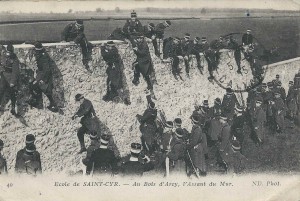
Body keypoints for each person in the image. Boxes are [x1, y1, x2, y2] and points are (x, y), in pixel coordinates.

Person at [29, 42, 58, 112]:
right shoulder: (41, 53)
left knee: (34, 86)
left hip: (44, 76)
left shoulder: (43, 57)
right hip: (42, 74)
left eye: (36, 51)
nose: (35, 53)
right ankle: (51, 104)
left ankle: (37, 102)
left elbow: (46, 70)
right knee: (46, 91)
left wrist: (42, 79)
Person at [0, 43, 20, 116]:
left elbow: (16, 71)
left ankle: (13, 108)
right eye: (7, 52)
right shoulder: (3, 56)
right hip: (4, 76)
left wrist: (13, 81)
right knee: (1, 90)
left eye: (9, 52)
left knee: (13, 92)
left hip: (11, 77)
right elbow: (1, 64)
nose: (8, 54)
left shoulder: (15, 59)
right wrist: (1, 71)